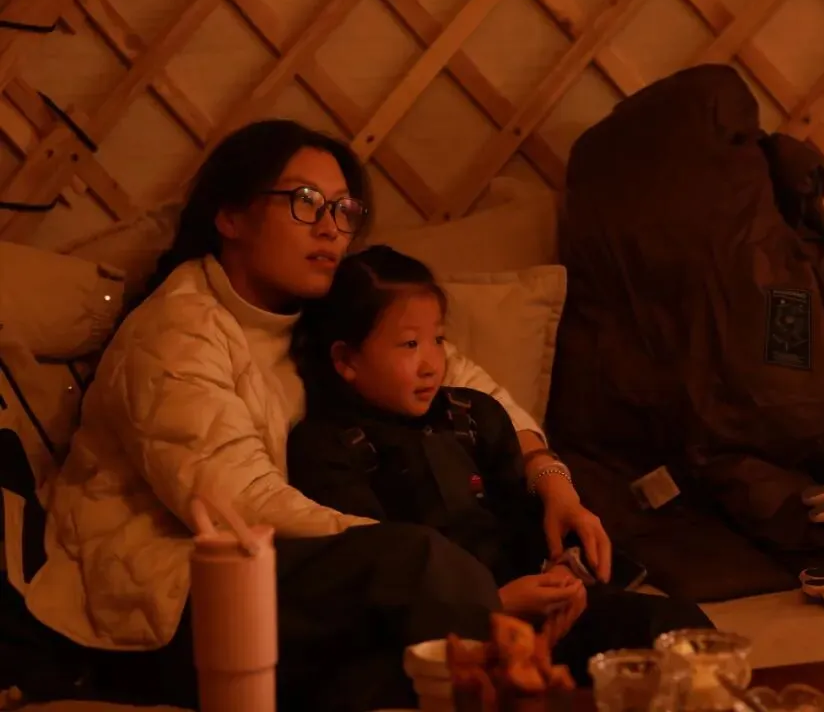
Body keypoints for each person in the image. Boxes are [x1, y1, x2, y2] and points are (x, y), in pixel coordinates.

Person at [16, 119, 600, 710]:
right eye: (304, 201)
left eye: (343, 209)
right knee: (421, 565)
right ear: (230, 216)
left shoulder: (317, 311)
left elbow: (465, 380)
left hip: (290, 580)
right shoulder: (177, 332)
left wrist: (551, 479)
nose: (330, 227)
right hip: (166, 598)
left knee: (574, 627)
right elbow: (239, 504)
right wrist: (461, 583)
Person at [286, 245, 714, 684]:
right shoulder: (326, 446)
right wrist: (496, 604)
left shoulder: (474, 415)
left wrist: (563, 571)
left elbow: (524, 515)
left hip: (535, 608)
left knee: (676, 628)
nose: (431, 364)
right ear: (346, 360)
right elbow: (378, 578)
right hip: (437, 636)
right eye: (410, 344)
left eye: (438, 340)